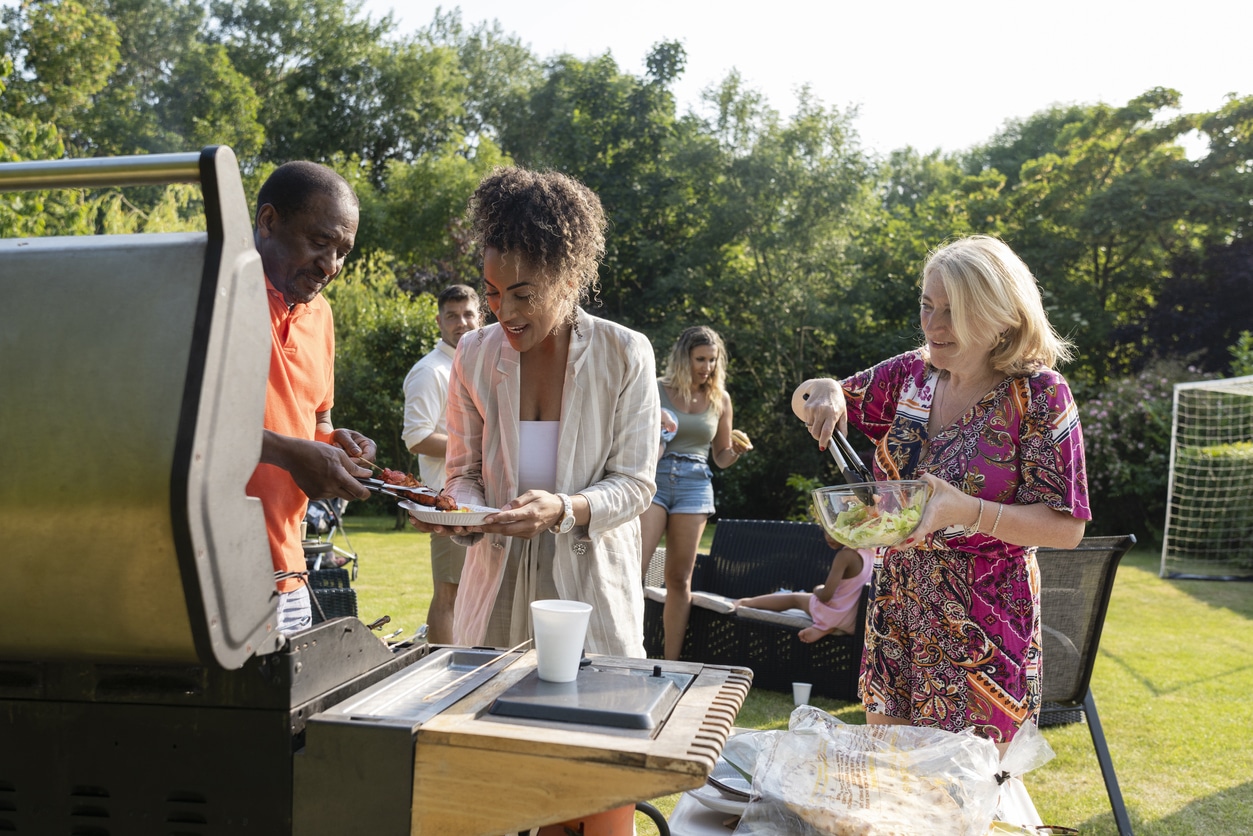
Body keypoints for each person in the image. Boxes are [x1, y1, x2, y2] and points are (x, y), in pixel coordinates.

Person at [793, 234, 1089, 750]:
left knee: (966, 801)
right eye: (928, 306)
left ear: (1000, 316)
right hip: (896, 610)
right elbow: (823, 398)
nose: (933, 325)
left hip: (983, 631)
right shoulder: (912, 375)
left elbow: (1066, 528)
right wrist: (820, 391)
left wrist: (966, 510)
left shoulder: (1040, 395)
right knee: (892, 792)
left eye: (952, 312)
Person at [409, 166, 659, 659]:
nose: (503, 312)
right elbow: (463, 473)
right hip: (495, 582)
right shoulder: (473, 354)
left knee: (588, 723)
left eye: (524, 294)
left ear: (568, 282)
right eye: (493, 292)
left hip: (590, 588)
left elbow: (635, 484)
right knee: (489, 719)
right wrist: (464, 513)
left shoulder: (626, 351)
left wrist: (563, 510)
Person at [246, 161, 377, 635]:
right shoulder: (210, 293)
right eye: (320, 242)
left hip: (290, 573)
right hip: (210, 570)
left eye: (343, 251)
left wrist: (335, 446)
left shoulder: (321, 315)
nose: (332, 265)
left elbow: (317, 420)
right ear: (267, 222)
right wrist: (288, 452)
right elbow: (171, 423)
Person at [639, 326, 751, 660]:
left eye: (713, 360)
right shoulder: (655, 389)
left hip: (695, 484)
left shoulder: (721, 399)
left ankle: (671, 661)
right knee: (635, 569)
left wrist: (736, 452)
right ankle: (628, 650)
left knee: (678, 577)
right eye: (700, 359)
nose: (707, 367)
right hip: (654, 478)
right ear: (684, 357)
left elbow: (720, 457)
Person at [401, 284, 482, 644]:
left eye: (468, 314)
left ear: (481, 316)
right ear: (438, 322)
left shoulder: (480, 364)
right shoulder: (430, 371)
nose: (461, 322)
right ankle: (439, 669)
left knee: (475, 594)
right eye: (452, 315)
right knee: (450, 594)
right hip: (447, 501)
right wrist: (481, 448)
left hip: (480, 499)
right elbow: (416, 438)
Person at [734, 544, 873, 642]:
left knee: (795, 598)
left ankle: (745, 602)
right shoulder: (872, 553)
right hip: (855, 621)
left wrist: (817, 589)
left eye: (830, 531)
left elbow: (825, 596)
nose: (827, 537)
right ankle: (826, 628)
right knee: (805, 598)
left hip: (835, 614)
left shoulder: (845, 555)